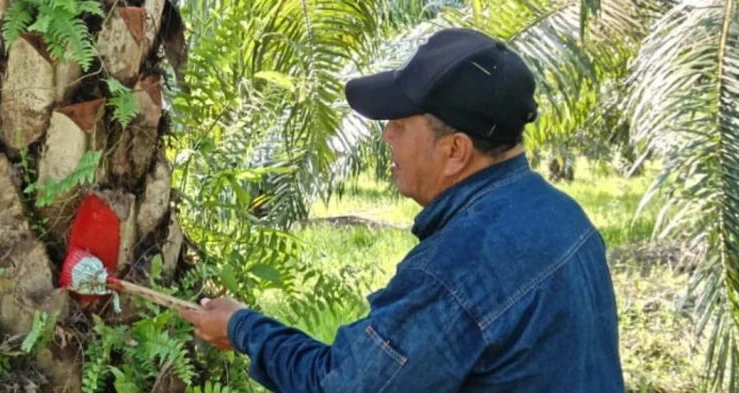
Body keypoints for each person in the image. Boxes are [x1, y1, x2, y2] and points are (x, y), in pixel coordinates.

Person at [179, 28, 624, 393]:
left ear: (455, 150)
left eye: (400, 124)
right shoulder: (568, 218)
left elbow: (343, 387)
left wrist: (242, 329)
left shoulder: (454, 273)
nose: (386, 137)